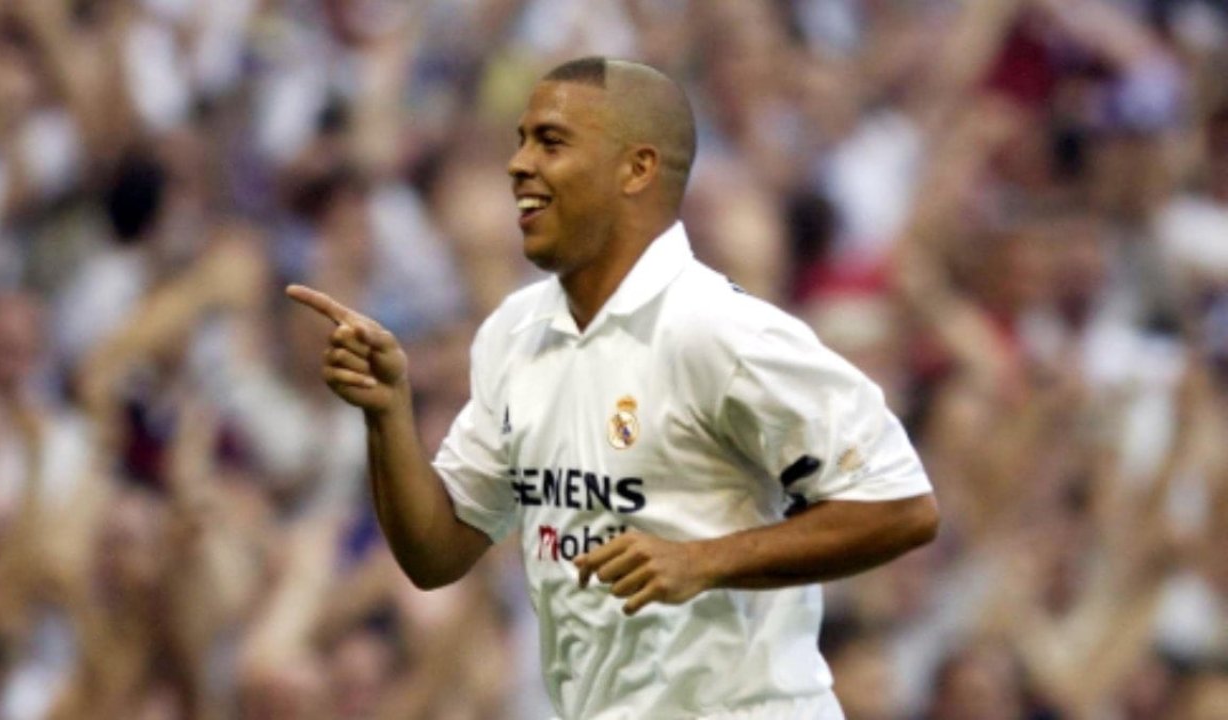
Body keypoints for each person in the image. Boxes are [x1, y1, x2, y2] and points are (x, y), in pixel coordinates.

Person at [287, 56, 939, 720]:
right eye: (521, 141)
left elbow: (902, 507)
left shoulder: (721, 331)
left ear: (637, 169)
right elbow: (436, 554)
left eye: (551, 143)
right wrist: (388, 413)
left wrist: (704, 561)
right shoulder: (515, 334)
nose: (518, 165)